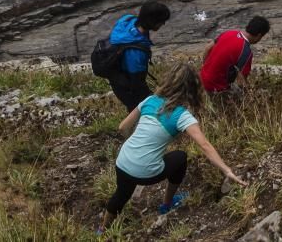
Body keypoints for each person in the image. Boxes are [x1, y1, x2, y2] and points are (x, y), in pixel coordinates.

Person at [98, 64, 246, 233]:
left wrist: (138, 144)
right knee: (180, 157)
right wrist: (227, 170)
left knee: (121, 194)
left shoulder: (149, 100)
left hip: (123, 161)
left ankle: (102, 230)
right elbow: (204, 145)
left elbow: (122, 128)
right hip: (146, 172)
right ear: (191, 89)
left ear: (168, 81)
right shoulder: (182, 115)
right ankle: (166, 204)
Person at [108, 1, 170, 111]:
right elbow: (137, 84)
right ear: (152, 22)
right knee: (139, 109)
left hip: (117, 75)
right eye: (161, 21)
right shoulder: (137, 53)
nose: (163, 24)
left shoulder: (127, 19)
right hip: (125, 84)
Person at [200, 16, 270, 95]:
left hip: (201, 79)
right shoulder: (246, 52)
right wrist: (251, 93)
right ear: (259, 36)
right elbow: (241, 83)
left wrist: (205, 66)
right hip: (216, 88)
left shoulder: (228, 33)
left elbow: (207, 48)